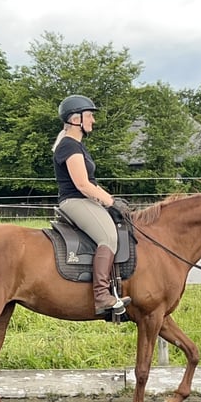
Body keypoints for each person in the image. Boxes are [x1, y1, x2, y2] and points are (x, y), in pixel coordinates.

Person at [52, 94, 131, 315]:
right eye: (89, 115)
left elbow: (93, 184)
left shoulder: (76, 145)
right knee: (108, 237)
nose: (93, 120)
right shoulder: (69, 147)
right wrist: (111, 202)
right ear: (75, 119)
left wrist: (113, 201)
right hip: (75, 201)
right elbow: (83, 184)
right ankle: (102, 296)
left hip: (83, 199)